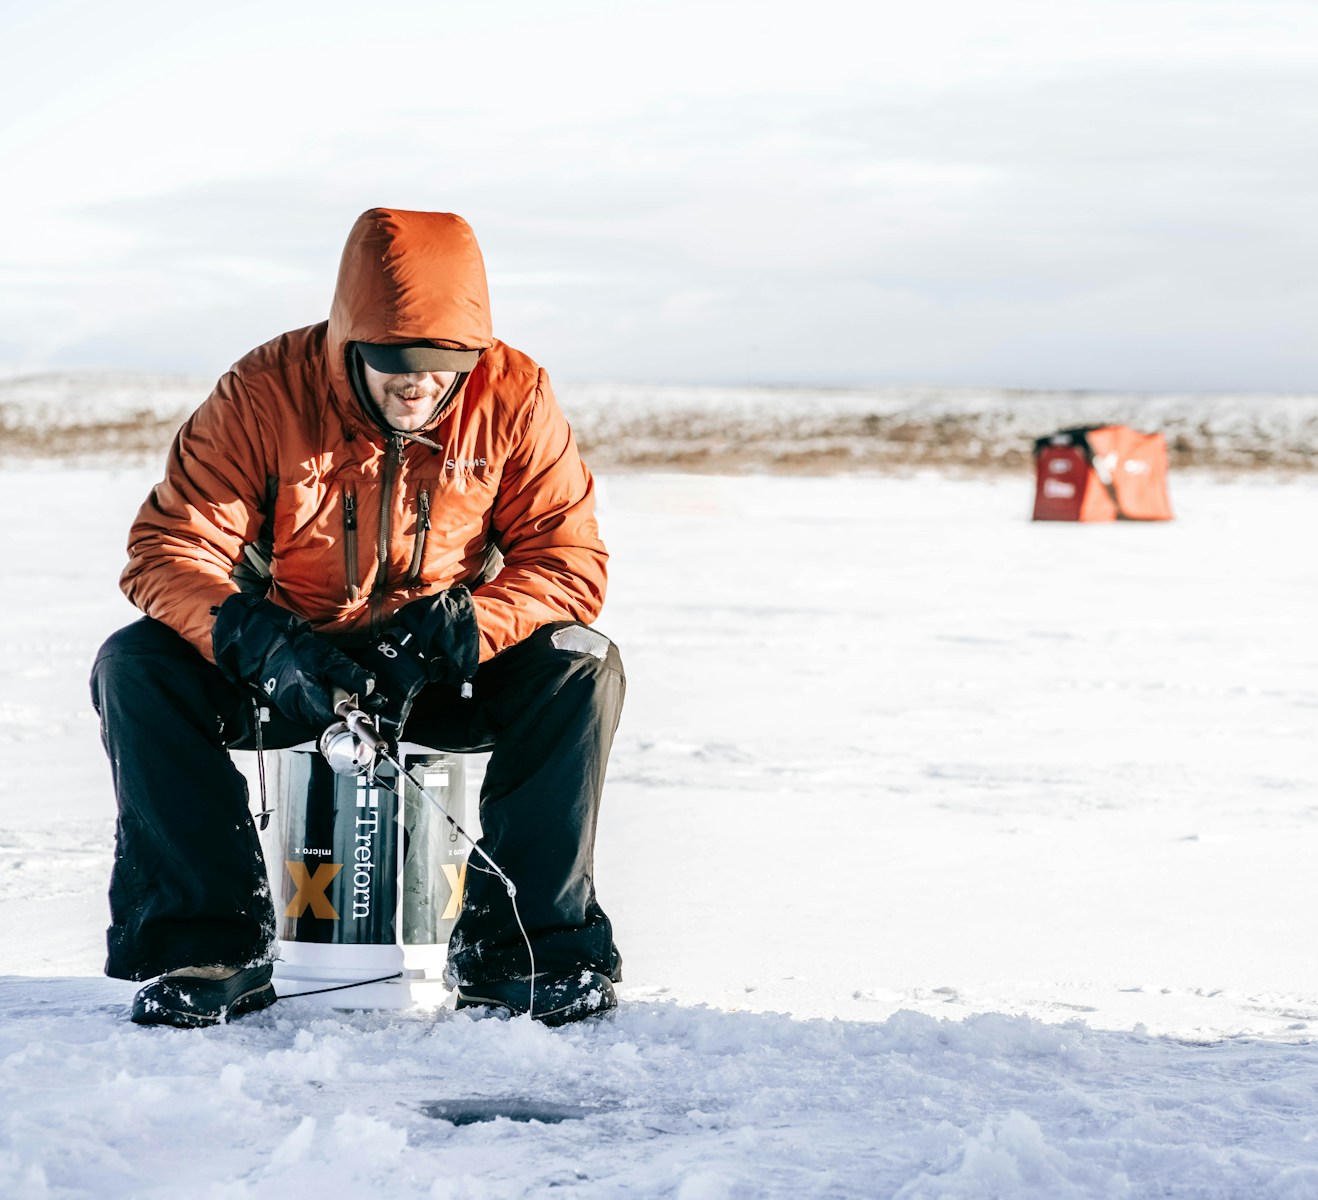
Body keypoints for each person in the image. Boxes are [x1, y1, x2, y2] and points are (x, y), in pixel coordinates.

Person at [90, 208, 625, 1028]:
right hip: (289, 665)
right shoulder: (264, 393)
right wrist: (255, 641)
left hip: (443, 663)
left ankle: (527, 953)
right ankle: (209, 945)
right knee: (138, 664)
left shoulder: (515, 395)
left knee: (580, 662)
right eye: (395, 365)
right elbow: (169, 549)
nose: (418, 386)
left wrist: (469, 629)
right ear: (350, 345)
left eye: (442, 369)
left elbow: (567, 559)